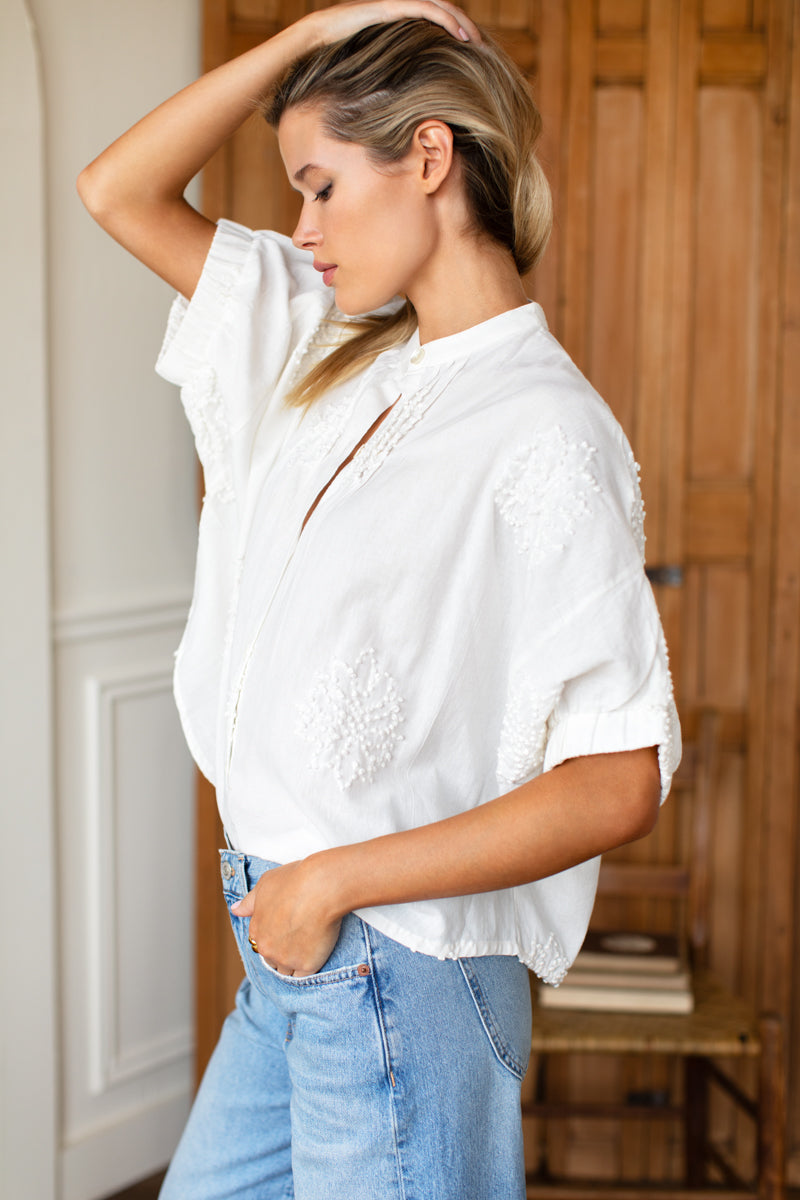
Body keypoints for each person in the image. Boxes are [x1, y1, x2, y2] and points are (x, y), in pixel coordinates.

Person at [78, 3, 681, 1197]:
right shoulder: (322, 343)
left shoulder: (546, 431)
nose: (298, 230)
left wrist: (332, 882)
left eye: (318, 187)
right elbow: (118, 191)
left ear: (426, 156)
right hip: (288, 951)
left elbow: (620, 780)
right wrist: (322, 28)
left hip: (395, 968)